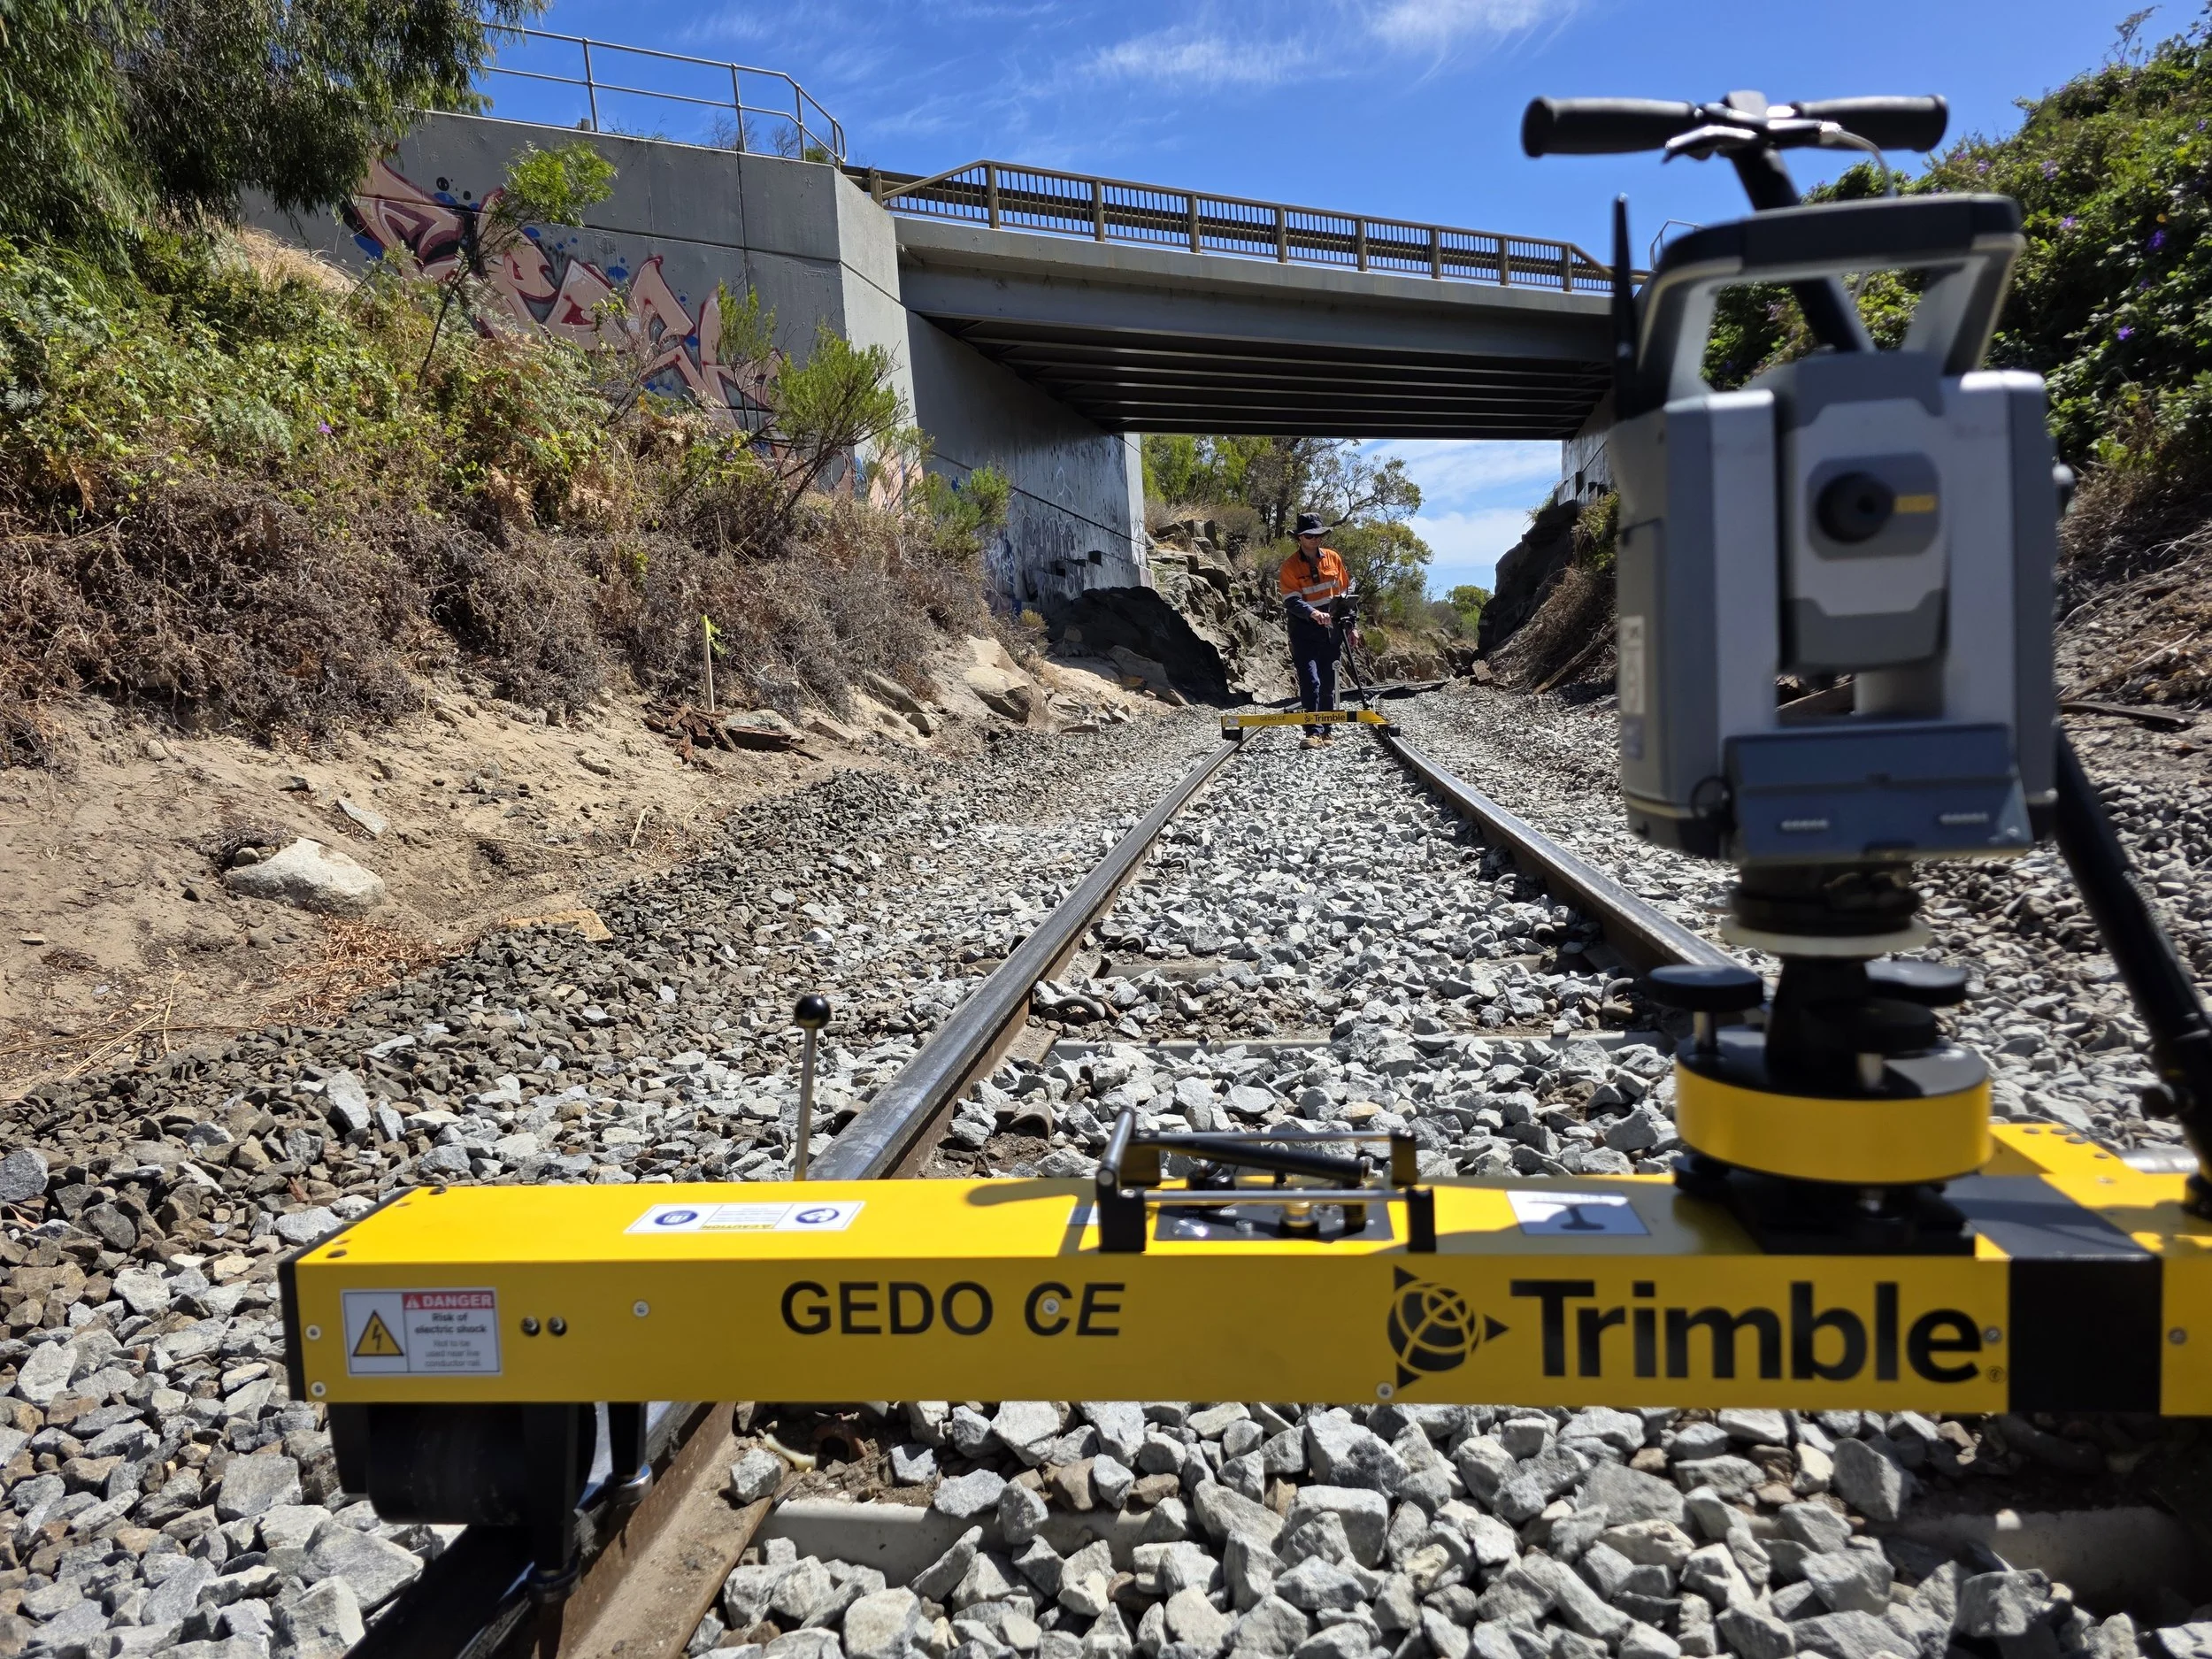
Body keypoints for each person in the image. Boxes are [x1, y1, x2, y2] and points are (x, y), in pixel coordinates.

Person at [1278, 511, 1354, 748]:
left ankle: (1327, 731)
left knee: (1328, 681)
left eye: (1318, 535)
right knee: (1311, 681)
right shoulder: (1289, 566)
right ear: (1300, 537)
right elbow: (1291, 600)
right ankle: (1312, 732)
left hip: (1331, 632)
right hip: (1303, 632)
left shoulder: (1334, 559)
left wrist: (1352, 626)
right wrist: (1313, 613)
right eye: (1309, 535)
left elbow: (1345, 597)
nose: (1314, 539)